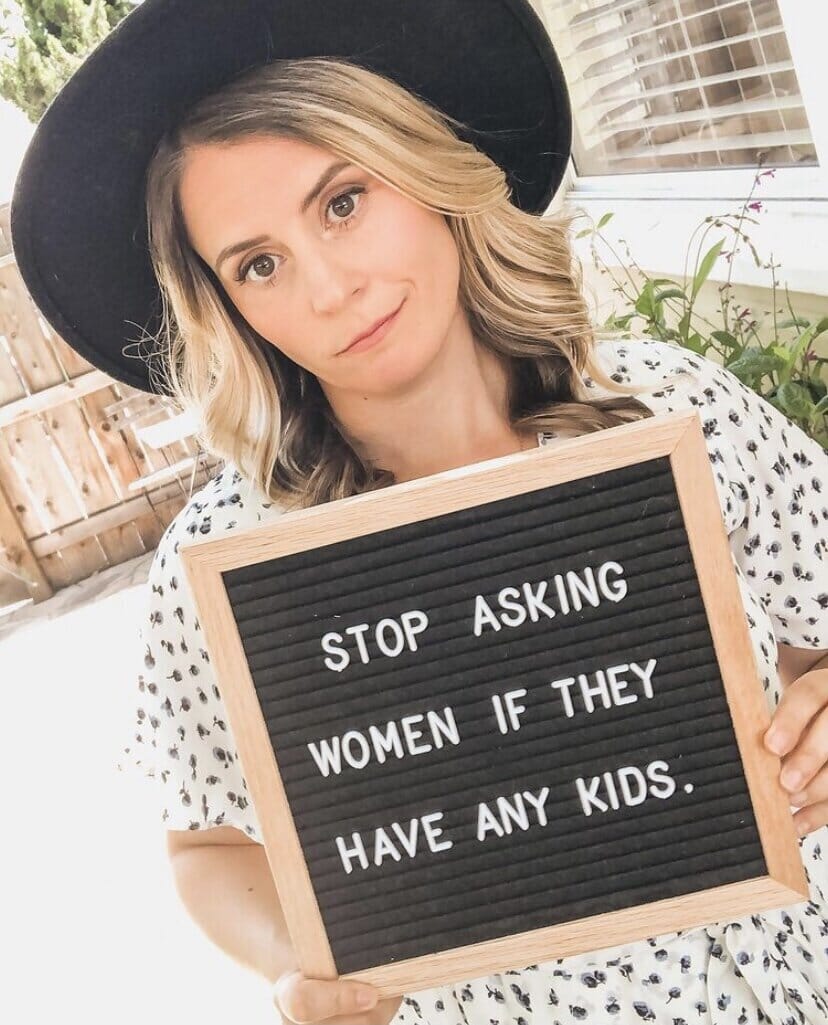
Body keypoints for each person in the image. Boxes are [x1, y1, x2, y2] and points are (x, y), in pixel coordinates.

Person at [9, 2, 828, 1023]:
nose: (329, 286)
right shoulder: (233, 558)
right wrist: (299, 959)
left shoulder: (670, 408)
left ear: (427, 164)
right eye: (258, 264)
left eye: (343, 201)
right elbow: (207, 844)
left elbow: (817, 624)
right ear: (230, 309)